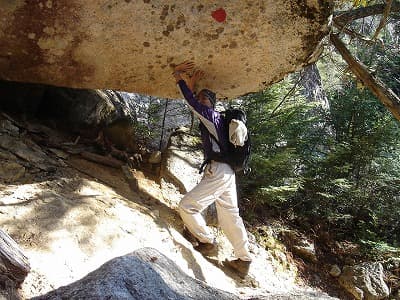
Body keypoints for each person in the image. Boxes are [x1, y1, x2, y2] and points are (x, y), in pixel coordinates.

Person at [172, 61, 252, 277]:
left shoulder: (212, 116)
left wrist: (180, 78)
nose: (199, 101)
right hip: (227, 173)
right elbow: (195, 102)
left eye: (203, 98)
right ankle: (243, 260)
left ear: (211, 104)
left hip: (219, 171)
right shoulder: (217, 121)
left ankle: (207, 242)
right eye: (200, 98)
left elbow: (191, 103)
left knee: (187, 206)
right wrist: (194, 84)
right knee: (230, 215)